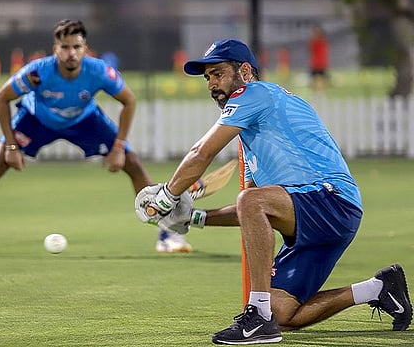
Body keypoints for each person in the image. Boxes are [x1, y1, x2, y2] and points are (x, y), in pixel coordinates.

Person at [135, 39, 412, 344]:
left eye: (218, 74)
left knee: (251, 200)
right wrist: (195, 218)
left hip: (331, 201)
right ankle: (377, 288)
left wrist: (165, 197)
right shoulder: (255, 135)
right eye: (208, 78)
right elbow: (253, 213)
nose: (212, 84)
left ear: (244, 71)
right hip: (320, 220)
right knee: (285, 314)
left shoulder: (255, 93)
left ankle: (258, 316)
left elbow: (202, 153)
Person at [0, 19, 191, 259]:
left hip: (84, 120)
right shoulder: (37, 72)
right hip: (37, 119)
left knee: (132, 162)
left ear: (85, 48)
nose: (71, 53)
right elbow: (1, 97)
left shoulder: (99, 71)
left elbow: (129, 100)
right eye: (65, 47)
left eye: (76, 47)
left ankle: (166, 234)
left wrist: (117, 148)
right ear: (55, 49)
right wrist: (11, 146)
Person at [308, 25, 329, 92]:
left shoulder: (322, 41)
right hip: (315, 63)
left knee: (322, 79)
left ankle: (322, 93)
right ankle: (315, 92)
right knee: (313, 79)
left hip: (321, 63)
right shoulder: (313, 42)